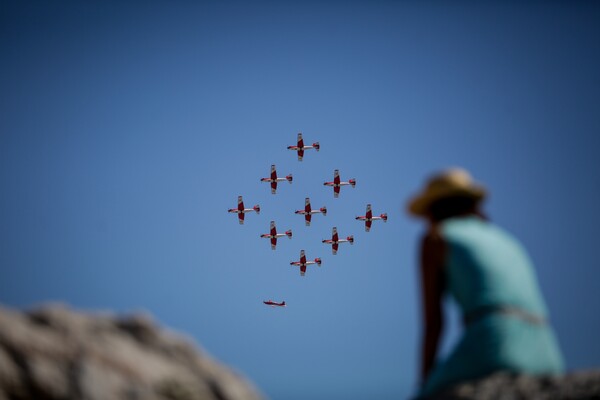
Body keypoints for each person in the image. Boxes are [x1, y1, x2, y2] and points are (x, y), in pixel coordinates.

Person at [407, 168, 564, 398]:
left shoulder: (435, 238)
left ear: (433, 209)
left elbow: (434, 323)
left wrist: (424, 384)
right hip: (547, 351)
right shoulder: (508, 240)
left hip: (495, 345)